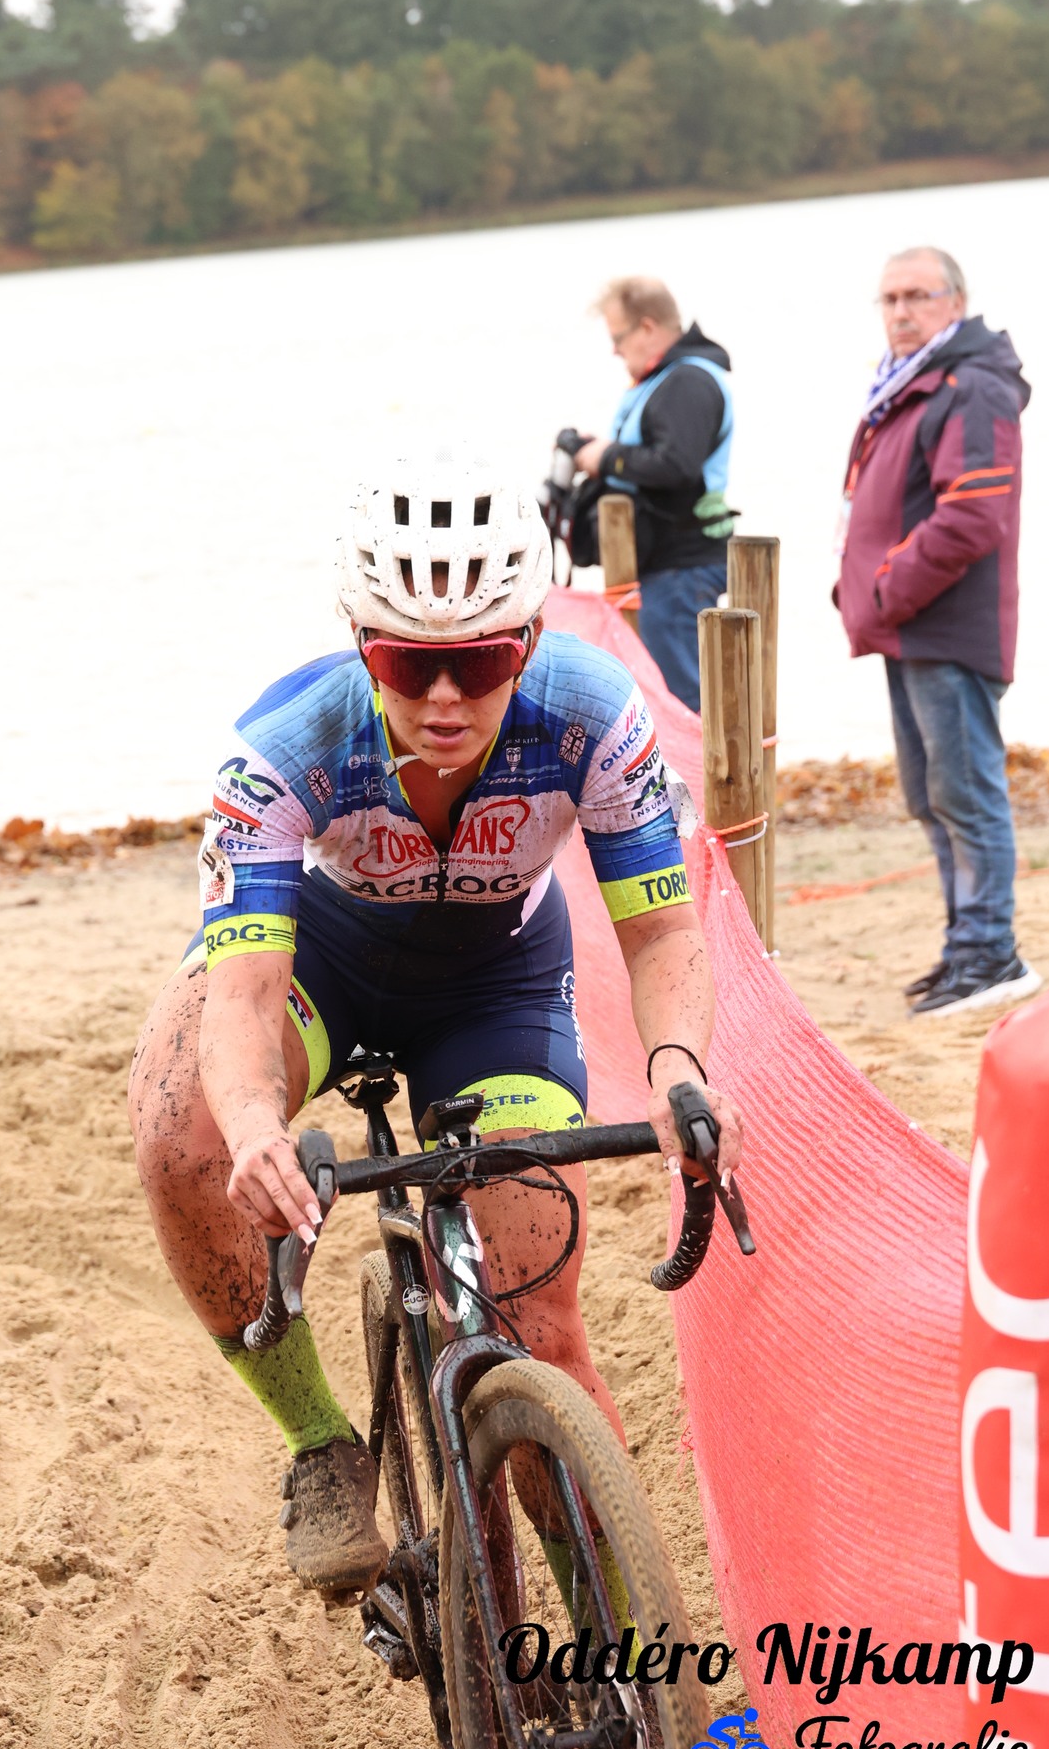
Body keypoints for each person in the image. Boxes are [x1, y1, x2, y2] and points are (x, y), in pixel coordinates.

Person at [128, 453, 742, 1603]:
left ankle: (629, 1652)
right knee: (181, 1128)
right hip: (322, 964)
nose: (447, 697)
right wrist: (255, 1127)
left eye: (485, 659)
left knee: (535, 1322)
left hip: (497, 983)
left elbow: (664, 935)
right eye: (412, 663)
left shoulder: (592, 713)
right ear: (363, 644)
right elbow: (244, 994)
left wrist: (676, 1071)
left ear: (531, 640)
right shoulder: (286, 744)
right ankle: (319, 1440)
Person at [834, 246, 1039, 1018]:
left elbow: (973, 513)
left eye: (916, 296)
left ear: (954, 301)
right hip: (907, 627)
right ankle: (965, 946)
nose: (899, 311)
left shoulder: (969, 383)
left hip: (947, 625)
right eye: (888, 299)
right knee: (930, 794)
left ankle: (991, 954)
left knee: (965, 793)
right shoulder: (908, 384)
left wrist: (885, 586)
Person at [572, 276, 736, 713]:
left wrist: (606, 457)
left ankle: (700, 763)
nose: (615, 350)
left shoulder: (687, 381)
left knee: (681, 702)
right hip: (667, 569)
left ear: (647, 328)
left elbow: (676, 466)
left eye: (618, 338)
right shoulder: (669, 379)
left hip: (681, 569)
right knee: (663, 698)